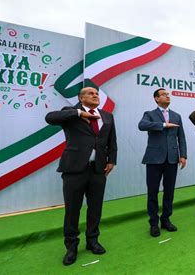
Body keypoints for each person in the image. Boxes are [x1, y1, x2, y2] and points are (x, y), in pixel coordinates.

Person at [45, 87, 117, 266]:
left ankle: (92, 240)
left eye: (96, 94)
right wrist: (79, 113)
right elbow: (50, 118)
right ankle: (71, 246)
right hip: (74, 169)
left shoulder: (107, 116)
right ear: (81, 98)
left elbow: (112, 141)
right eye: (91, 93)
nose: (95, 96)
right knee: (72, 210)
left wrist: (112, 160)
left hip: (98, 170)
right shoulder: (70, 113)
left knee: (95, 208)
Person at [138, 88, 187, 237]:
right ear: (156, 99)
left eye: (168, 94)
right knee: (152, 192)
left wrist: (183, 155)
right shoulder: (150, 114)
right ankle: (153, 222)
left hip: (172, 159)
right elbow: (142, 125)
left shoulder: (176, 116)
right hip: (154, 159)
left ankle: (166, 219)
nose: (167, 96)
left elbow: (181, 137)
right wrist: (164, 125)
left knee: (169, 191)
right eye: (164, 94)